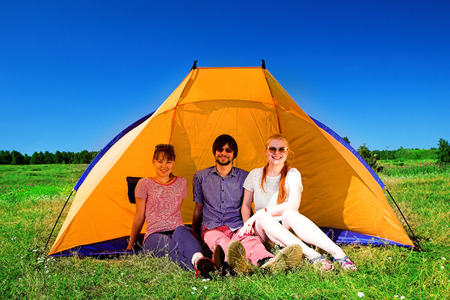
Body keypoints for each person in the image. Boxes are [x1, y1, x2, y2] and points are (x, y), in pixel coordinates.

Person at [238, 134, 358, 271]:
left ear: (287, 152)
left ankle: (338, 253)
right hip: (263, 229)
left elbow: (293, 206)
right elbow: (246, 205)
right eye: (272, 149)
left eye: (281, 149)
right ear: (266, 152)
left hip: (285, 225)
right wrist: (248, 224)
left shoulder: (293, 173)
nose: (277, 153)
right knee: (264, 217)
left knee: (290, 213)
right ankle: (312, 255)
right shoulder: (255, 174)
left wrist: (259, 213)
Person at [192, 134, 302, 275]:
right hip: (213, 227)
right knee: (221, 244)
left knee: (251, 242)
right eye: (220, 149)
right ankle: (234, 264)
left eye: (228, 150)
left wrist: (247, 225)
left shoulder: (245, 176)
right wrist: (195, 233)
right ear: (214, 152)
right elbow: (199, 208)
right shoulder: (200, 177)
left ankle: (267, 263)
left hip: (238, 225)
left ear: (234, 154)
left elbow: (246, 205)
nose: (224, 153)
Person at [127, 144, 215, 278]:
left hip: (177, 228)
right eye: (160, 161)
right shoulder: (144, 184)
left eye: (168, 161)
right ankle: (202, 269)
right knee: (171, 248)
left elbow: (176, 209)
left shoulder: (181, 183)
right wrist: (130, 246)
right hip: (154, 232)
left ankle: (199, 260)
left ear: (174, 162)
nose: (164, 166)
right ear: (153, 162)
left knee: (184, 236)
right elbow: (139, 216)